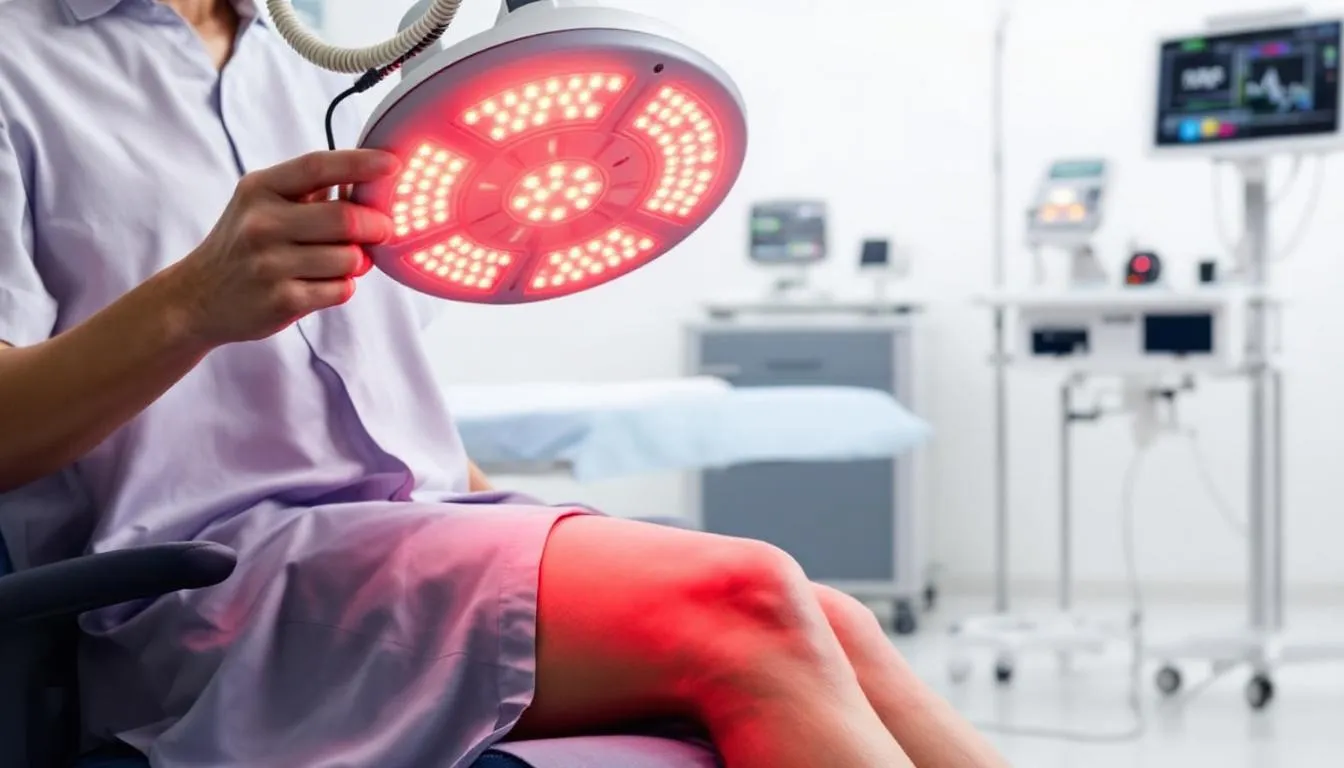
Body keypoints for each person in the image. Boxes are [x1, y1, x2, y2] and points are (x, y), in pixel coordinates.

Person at [0, 1, 1010, 766]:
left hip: (413, 535)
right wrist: (191, 303)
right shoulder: (19, 63)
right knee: (746, 601)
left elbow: (364, 392)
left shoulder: (311, 66)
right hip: (208, 596)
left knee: (830, 617)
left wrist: (517, 527)